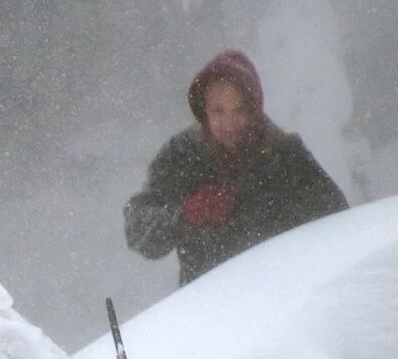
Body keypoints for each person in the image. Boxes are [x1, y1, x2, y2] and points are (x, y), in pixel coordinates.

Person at [125, 49, 348, 287]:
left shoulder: (283, 155)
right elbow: (137, 230)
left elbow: (337, 220)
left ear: (254, 109)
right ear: (204, 111)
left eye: (239, 110)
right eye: (218, 111)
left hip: (281, 301)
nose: (230, 124)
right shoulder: (183, 155)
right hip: (205, 309)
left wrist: (271, 212)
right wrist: (185, 215)